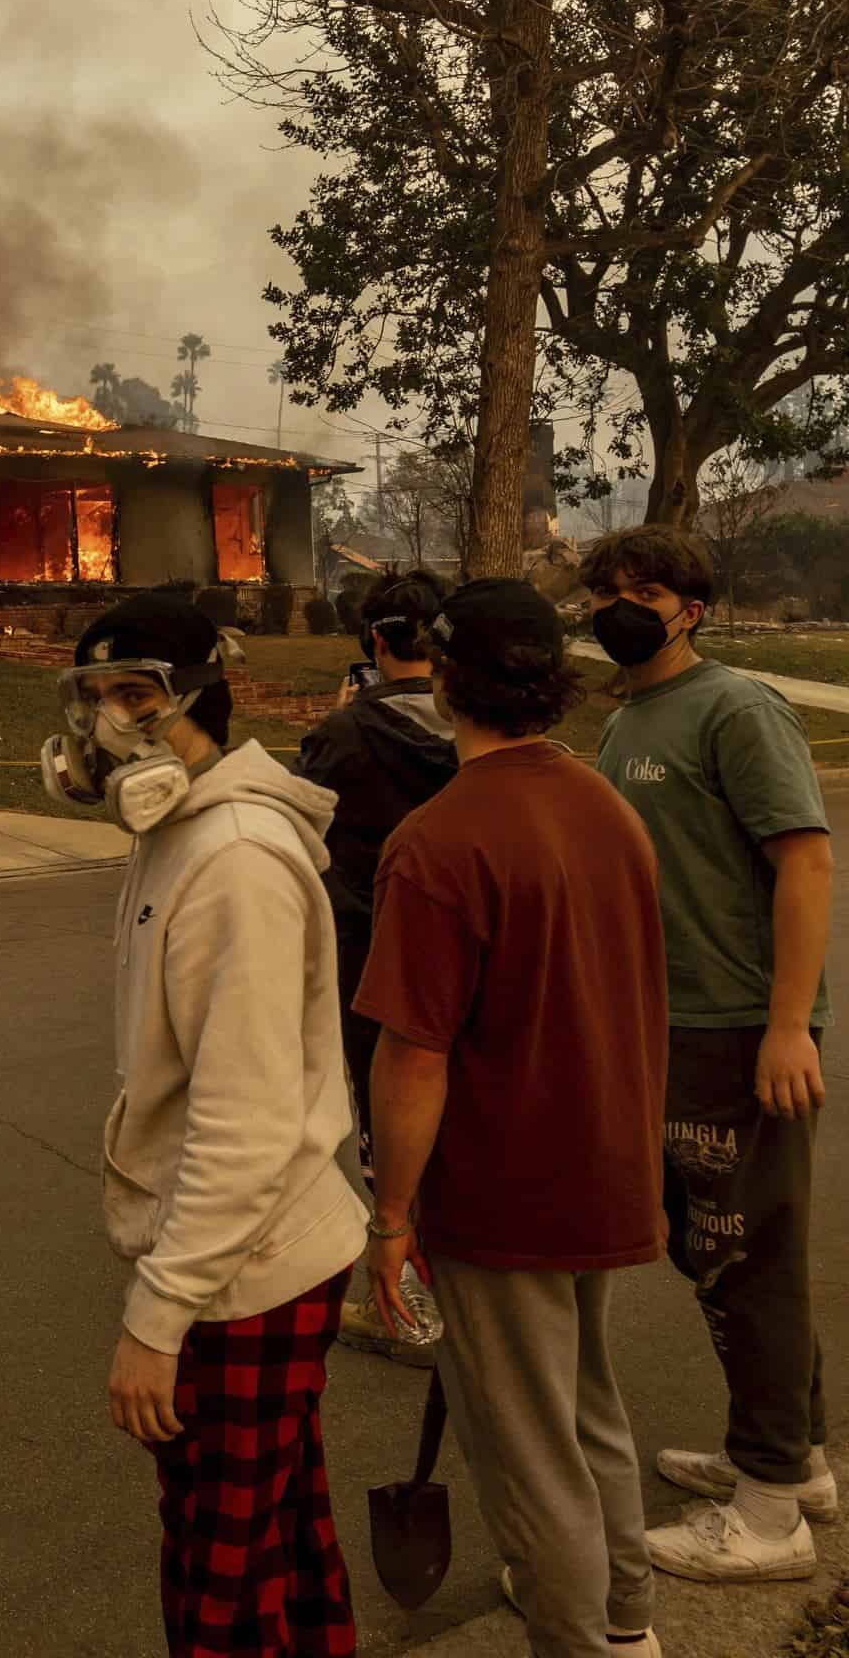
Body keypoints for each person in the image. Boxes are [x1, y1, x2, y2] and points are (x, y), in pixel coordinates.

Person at [44, 593, 366, 1658]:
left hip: (250, 1269)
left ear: (202, 701)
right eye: (94, 698)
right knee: (276, 1530)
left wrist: (158, 1314)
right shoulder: (177, 835)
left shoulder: (230, 859)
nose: (109, 726)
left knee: (216, 1568)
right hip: (244, 1254)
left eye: (137, 695)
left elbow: (245, 1119)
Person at [357, 579, 667, 1657]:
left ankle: (579, 1638)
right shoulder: (606, 806)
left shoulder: (438, 843)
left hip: (502, 1186)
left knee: (528, 1450)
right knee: (588, 1411)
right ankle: (628, 1618)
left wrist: (390, 1214)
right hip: (605, 1163)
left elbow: (414, 1051)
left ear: (444, 681)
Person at [589, 525, 834, 1582]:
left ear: (690, 606)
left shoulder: (736, 705)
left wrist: (787, 1022)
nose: (621, 606)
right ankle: (795, 1460)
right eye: (607, 589)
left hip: (736, 1027)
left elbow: (808, 861)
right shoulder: (634, 713)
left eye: (644, 590)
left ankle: (771, 1516)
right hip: (670, 1025)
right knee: (727, 1253)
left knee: (748, 1259)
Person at [294, 571, 455, 1361]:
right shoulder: (477, 727)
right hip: (467, 957)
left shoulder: (345, 737)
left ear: (375, 643)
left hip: (371, 956)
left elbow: (300, 832)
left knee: (386, 1130)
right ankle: (466, 1289)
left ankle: (407, 1306)